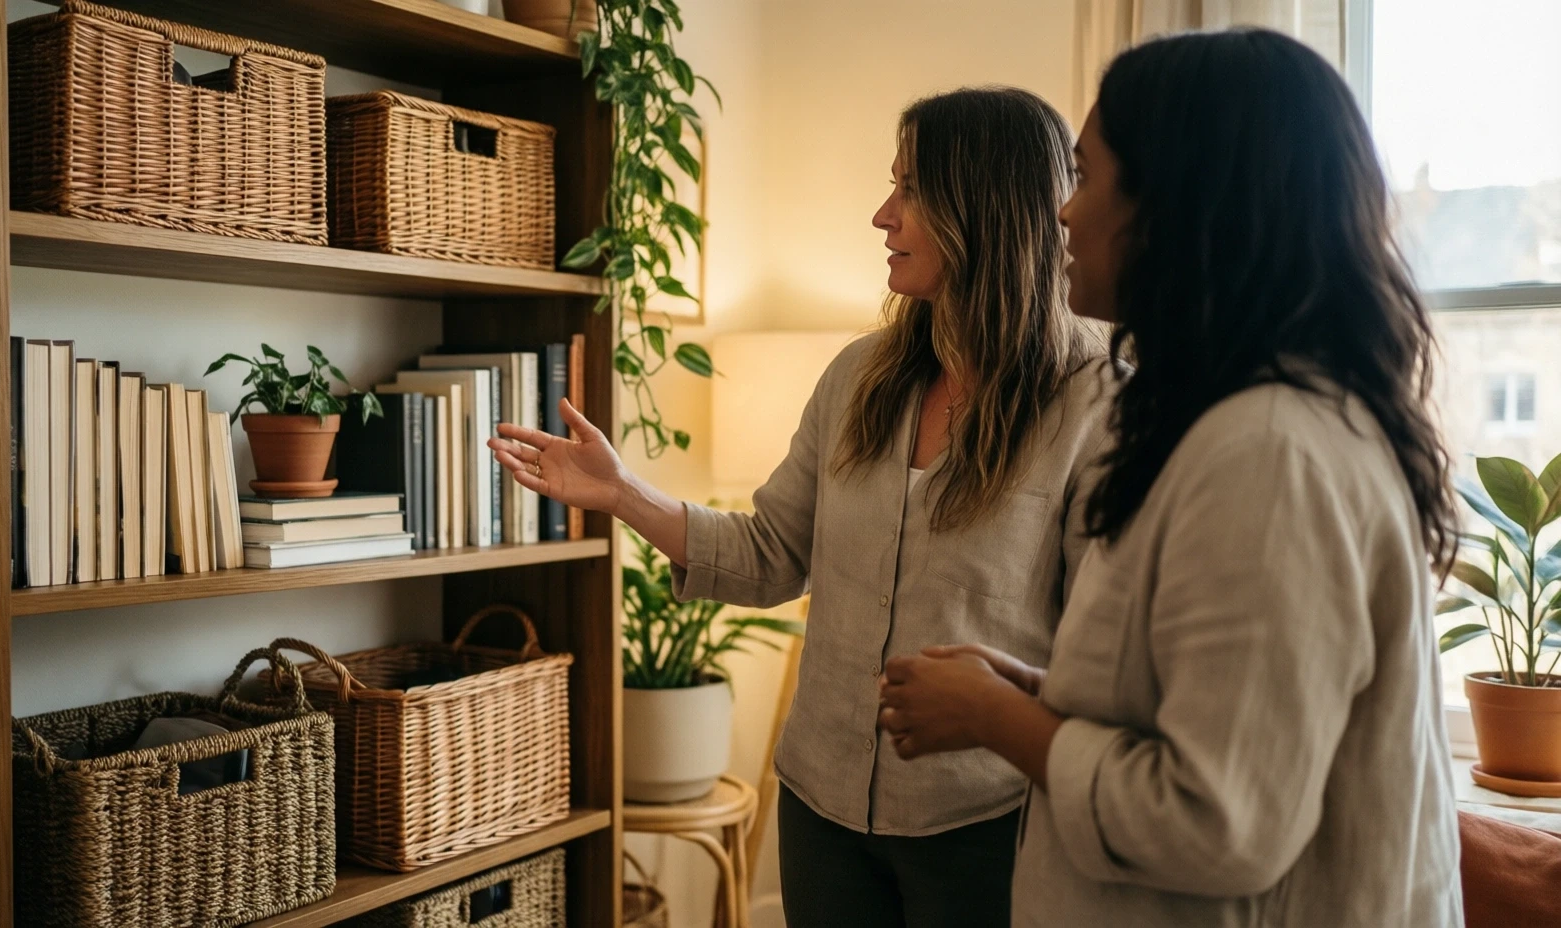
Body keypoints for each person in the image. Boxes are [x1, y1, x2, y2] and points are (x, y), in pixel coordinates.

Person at [876, 29, 1464, 927]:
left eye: (1085, 177)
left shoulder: (1271, 457)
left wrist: (999, 719)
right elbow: (1207, 705)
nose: (1063, 215)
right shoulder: (1213, 423)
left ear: (1182, 204)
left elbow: (1215, 818)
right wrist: (1040, 691)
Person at [490, 87, 1113, 926]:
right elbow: (771, 554)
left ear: (985, 207)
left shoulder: (1095, 404)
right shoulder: (858, 377)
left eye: (910, 190)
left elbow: (1100, 652)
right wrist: (620, 493)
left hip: (986, 828)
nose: (881, 216)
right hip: (821, 816)